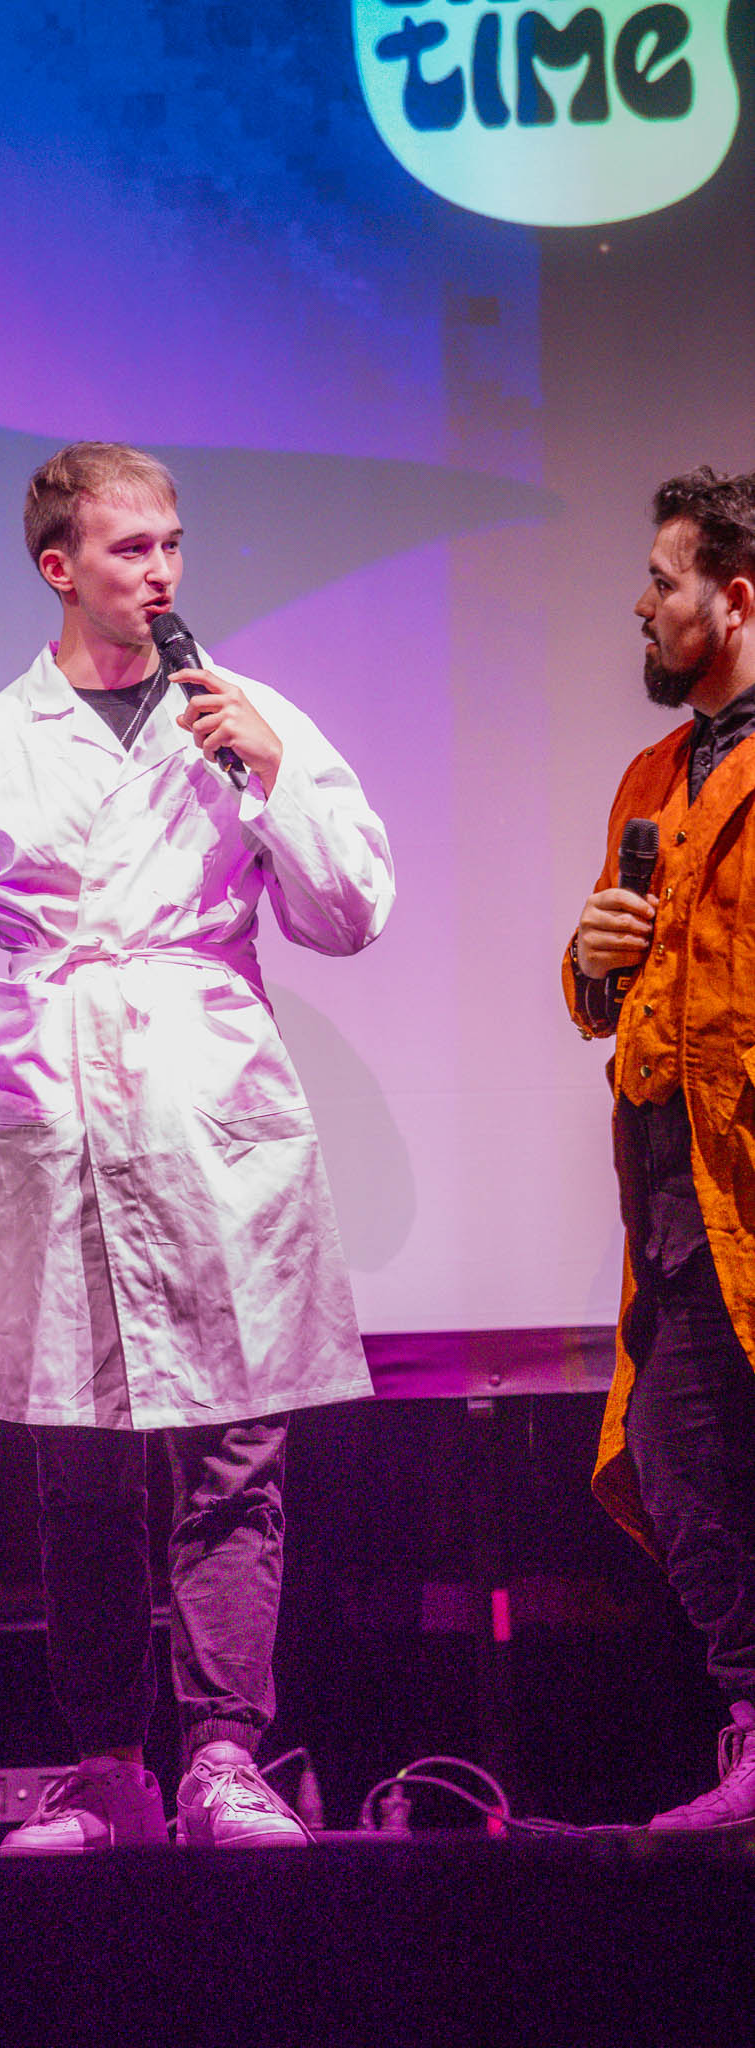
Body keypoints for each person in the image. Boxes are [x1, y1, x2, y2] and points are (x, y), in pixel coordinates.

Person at [0, 442, 393, 1851]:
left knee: (233, 1455)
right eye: (131, 549)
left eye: (172, 545)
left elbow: (348, 914)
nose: (161, 573)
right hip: (56, 1118)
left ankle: (224, 1759)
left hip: (215, 1118)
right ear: (59, 567)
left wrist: (274, 778)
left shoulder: (247, 717)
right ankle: (105, 1767)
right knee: (77, 1468)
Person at [566, 466, 755, 1831]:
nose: (641, 606)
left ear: (732, 599)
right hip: (676, 1208)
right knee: (689, 1480)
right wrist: (588, 957)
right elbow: (610, 997)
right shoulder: (650, 775)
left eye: (661, 580)